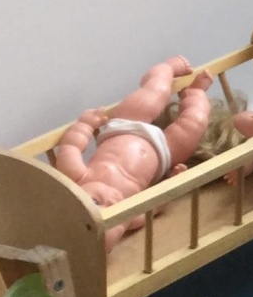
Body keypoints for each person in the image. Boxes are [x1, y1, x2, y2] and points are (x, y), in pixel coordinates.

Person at [50, 58, 213, 247]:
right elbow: (157, 205)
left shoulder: (78, 177)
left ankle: (166, 68)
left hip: (126, 125)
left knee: (155, 91)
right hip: (164, 154)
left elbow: (70, 146)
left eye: (95, 201)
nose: (111, 201)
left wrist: (85, 124)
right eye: (116, 216)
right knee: (196, 122)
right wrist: (172, 181)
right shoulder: (133, 217)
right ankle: (196, 93)